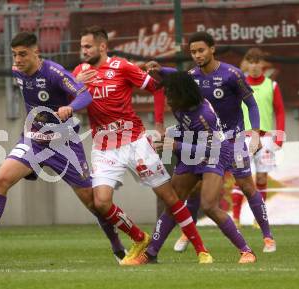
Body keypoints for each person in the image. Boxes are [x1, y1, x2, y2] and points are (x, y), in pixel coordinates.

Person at [0, 32, 127, 262]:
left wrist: (70, 107)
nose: (17, 60)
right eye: (14, 55)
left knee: (93, 202)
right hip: (34, 140)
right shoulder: (17, 71)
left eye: (23, 54)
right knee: (1, 180)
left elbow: (84, 94)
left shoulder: (54, 72)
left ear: (36, 52)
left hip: (64, 144)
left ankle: (118, 247)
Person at [73, 26, 212, 265]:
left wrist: (158, 122)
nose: (83, 51)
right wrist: (75, 83)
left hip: (135, 142)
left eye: (87, 46)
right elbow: (71, 98)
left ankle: (201, 249)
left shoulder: (122, 67)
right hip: (104, 146)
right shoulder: (80, 71)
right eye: (81, 46)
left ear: (102, 46)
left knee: (169, 197)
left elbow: (156, 88)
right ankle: (139, 238)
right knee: (101, 202)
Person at [147, 31, 276, 254]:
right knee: (195, 190)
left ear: (212, 49)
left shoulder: (232, 75)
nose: (197, 55)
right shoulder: (192, 76)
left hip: (231, 139)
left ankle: (267, 236)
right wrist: (158, 70)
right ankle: (187, 235)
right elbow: (175, 76)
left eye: (201, 50)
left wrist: (254, 132)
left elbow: (251, 105)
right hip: (202, 139)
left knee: (246, 186)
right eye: (193, 52)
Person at [126, 71, 256, 265]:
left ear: (183, 93)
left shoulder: (205, 116)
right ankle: (151, 253)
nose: (168, 100)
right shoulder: (181, 105)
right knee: (174, 203)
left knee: (209, 206)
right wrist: (159, 69)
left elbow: (211, 147)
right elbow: (177, 79)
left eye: (171, 95)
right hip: (191, 151)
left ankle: (247, 252)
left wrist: (176, 145)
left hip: (215, 154)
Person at [231, 48, 285, 232]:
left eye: (257, 61)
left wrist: (279, 135)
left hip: (266, 138)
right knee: (241, 178)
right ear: (246, 63)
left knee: (262, 178)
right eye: (250, 61)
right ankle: (236, 218)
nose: (254, 66)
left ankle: (258, 218)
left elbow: (279, 111)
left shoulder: (272, 85)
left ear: (263, 64)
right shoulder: (239, 84)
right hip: (243, 136)